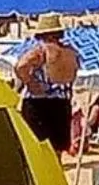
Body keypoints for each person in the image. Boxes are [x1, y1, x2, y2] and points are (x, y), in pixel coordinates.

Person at [15, 14, 82, 156]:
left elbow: (21, 66)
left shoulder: (42, 50)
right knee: (57, 151)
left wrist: (31, 83)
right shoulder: (71, 52)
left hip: (38, 103)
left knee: (36, 149)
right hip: (62, 103)